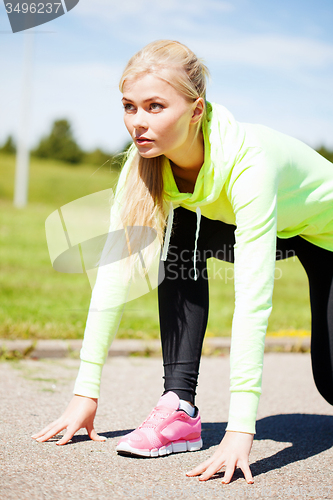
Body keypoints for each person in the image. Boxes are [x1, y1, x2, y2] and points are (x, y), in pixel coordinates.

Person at [32, 40, 333, 485]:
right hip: (276, 226)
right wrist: (84, 393)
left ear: (196, 110)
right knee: (176, 236)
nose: (139, 122)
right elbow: (113, 274)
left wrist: (240, 431)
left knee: (329, 383)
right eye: (130, 107)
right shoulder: (144, 165)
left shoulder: (249, 161)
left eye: (155, 106)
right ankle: (179, 407)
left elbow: (253, 299)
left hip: (323, 234)